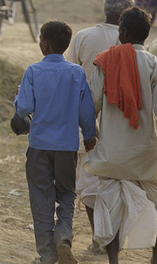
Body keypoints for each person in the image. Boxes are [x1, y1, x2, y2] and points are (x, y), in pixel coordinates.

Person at [85, 7, 157, 264]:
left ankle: (114, 261)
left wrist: (88, 136)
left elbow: (89, 106)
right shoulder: (156, 65)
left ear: (124, 32)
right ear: (146, 35)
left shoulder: (105, 61)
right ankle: (156, 258)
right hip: (145, 155)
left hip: (112, 154)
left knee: (110, 208)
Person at [15, 20, 97, 264]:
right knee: (67, 193)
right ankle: (63, 234)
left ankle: (47, 255)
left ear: (44, 43)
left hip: (39, 145)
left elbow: (25, 107)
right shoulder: (76, 73)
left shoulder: (33, 71)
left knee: (41, 199)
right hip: (67, 147)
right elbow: (86, 112)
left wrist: (17, 99)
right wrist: (90, 136)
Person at [68, 0, 135, 256]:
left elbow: (72, 75)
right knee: (118, 183)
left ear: (104, 9)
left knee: (90, 183)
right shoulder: (134, 41)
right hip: (123, 123)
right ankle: (113, 239)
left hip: (87, 122)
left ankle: (100, 239)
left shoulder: (84, 36)